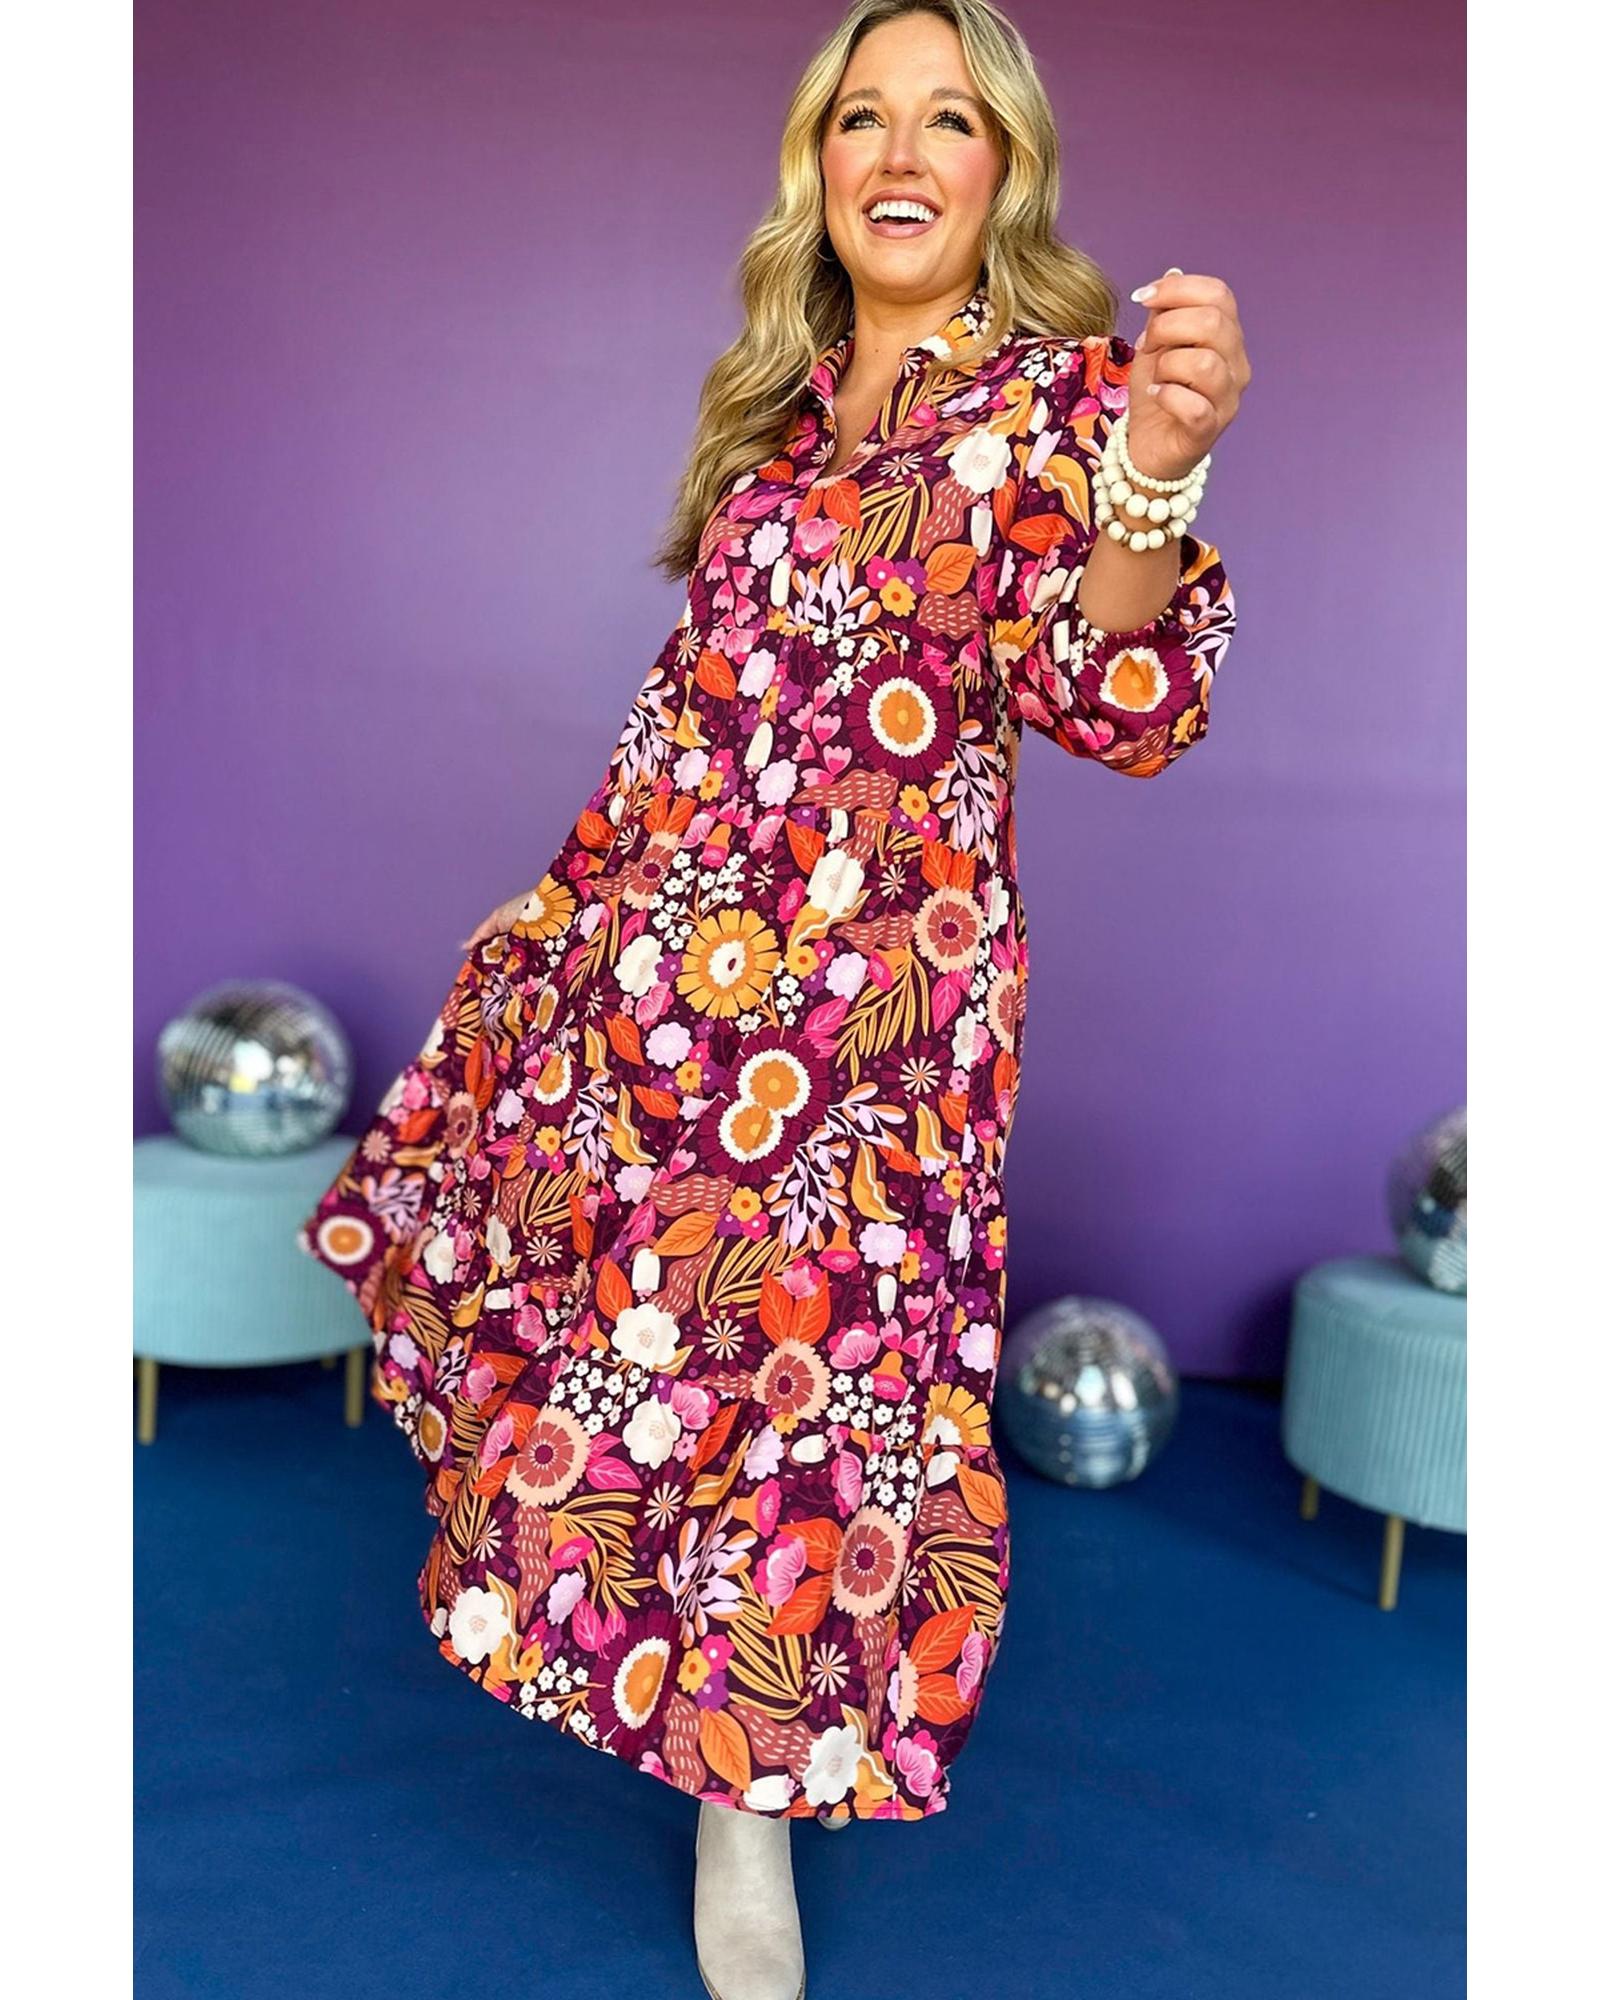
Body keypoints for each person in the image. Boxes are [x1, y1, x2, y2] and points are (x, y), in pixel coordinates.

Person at [297, 2, 1250, 1994]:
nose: (899, 155)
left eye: (947, 120)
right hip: (678, 990)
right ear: (819, 163)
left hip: (882, 1032)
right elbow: (692, 719)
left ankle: (750, 1812)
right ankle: (649, 1688)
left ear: (1003, 169)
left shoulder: (1066, 405)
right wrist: (561, 909)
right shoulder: (776, 413)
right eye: (861, 118)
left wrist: (1158, 475)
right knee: (648, 1346)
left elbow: (1112, 699)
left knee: (824, 1400)